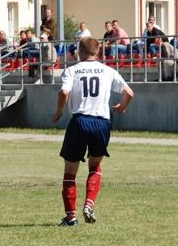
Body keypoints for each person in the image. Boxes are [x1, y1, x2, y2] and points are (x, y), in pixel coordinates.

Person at [52, 36, 134, 226]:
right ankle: (89, 204)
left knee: (70, 172)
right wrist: (122, 107)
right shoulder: (108, 70)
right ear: (97, 51)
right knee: (95, 166)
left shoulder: (72, 70)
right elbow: (129, 93)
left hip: (80, 121)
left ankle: (71, 218)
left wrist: (58, 112)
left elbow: (64, 92)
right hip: (102, 123)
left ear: (79, 52)